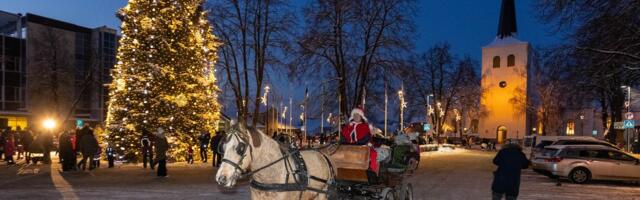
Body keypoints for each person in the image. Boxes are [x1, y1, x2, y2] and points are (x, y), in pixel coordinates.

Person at [340, 108, 378, 174]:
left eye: (357, 115)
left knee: (371, 154)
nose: (355, 117)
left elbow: (365, 139)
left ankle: (370, 171)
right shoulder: (348, 127)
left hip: (362, 147)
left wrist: (354, 144)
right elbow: (343, 137)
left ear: (361, 117)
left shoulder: (365, 126)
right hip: (349, 148)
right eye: (354, 115)